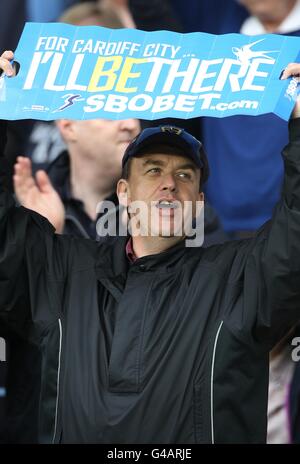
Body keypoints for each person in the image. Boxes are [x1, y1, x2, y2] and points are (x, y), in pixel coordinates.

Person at [1, 50, 300, 444]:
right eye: (153, 169)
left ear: (199, 203)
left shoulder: (239, 278)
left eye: (184, 175)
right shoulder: (63, 270)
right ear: (123, 192)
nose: (169, 184)